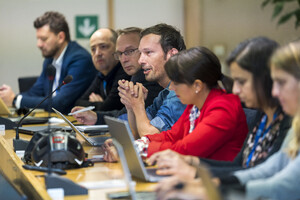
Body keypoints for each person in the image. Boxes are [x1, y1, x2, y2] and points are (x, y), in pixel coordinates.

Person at [157, 41, 300, 200]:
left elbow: (281, 185)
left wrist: (202, 182)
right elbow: (257, 169)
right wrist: (198, 173)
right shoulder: (265, 117)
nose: (236, 90)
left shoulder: (287, 123)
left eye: (281, 83)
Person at [104, 46, 248, 162]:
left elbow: (185, 149)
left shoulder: (223, 109)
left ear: (197, 86)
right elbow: (171, 136)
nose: (172, 88)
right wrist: (133, 144)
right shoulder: (195, 105)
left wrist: (132, 150)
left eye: (177, 83)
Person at [72, 23, 186, 134]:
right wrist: (130, 107)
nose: (140, 60)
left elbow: (149, 135)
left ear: (171, 55)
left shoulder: (180, 94)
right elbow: (136, 133)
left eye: (148, 53)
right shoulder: (164, 94)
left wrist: (137, 105)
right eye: (141, 53)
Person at [0, 11, 96, 114]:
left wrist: (16, 100)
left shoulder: (80, 59)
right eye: (38, 39)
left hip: (74, 123)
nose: (39, 44)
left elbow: (59, 104)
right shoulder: (49, 60)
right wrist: (7, 97)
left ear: (60, 37)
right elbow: (35, 92)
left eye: (44, 39)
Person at [71, 27, 163, 125]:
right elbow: (125, 115)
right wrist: (97, 116)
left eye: (130, 51)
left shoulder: (145, 76)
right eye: (120, 53)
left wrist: (98, 115)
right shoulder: (133, 74)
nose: (123, 59)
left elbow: (125, 115)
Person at [74, 28, 131, 111]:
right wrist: (100, 104)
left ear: (117, 49)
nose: (97, 53)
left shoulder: (125, 71)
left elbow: (109, 107)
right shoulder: (101, 74)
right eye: (93, 49)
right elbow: (78, 103)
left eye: (103, 47)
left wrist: (100, 105)